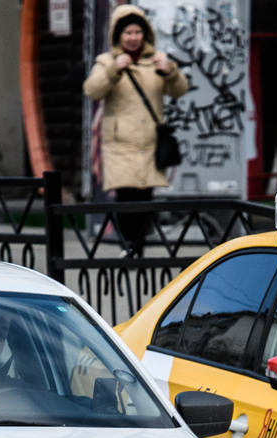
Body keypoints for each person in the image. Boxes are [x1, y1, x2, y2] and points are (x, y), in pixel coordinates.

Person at [83, 4, 189, 257]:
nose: (133, 38)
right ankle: (127, 245)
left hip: (150, 143)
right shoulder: (106, 61)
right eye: (127, 33)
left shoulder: (157, 60)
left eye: (137, 32)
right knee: (126, 196)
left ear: (146, 33)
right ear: (118, 35)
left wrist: (171, 72)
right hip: (120, 143)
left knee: (145, 197)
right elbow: (92, 90)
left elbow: (179, 90)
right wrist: (113, 71)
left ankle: (137, 247)